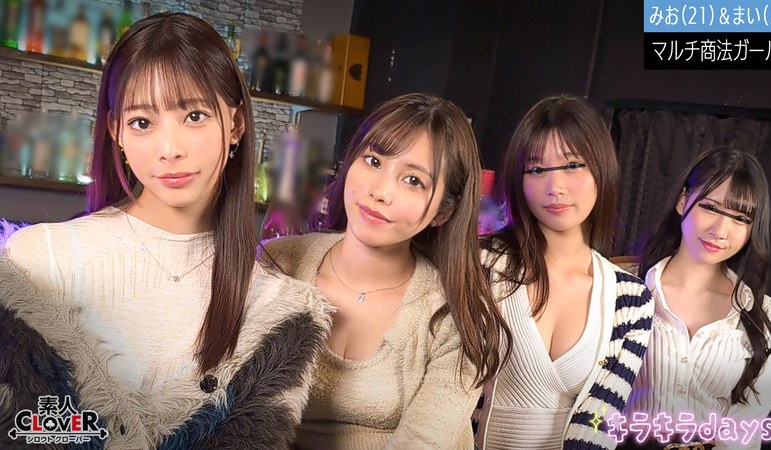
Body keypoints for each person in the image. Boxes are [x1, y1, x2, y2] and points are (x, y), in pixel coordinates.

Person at [0, 13, 330, 449]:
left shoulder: (275, 307)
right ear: (116, 131)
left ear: (235, 125)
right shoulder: (42, 259)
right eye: (142, 122)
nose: (169, 149)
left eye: (194, 116)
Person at [263, 92, 511, 449]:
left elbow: (424, 442)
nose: (380, 191)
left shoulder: (457, 312)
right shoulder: (277, 265)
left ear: (443, 212)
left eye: (413, 180)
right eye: (374, 160)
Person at [472, 95, 655, 450]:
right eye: (537, 170)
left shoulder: (631, 301)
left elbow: (599, 421)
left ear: (601, 170)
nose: (555, 187)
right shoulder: (481, 265)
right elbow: (446, 392)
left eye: (572, 165)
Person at [622, 148, 771, 450]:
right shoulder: (624, 288)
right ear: (683, 200)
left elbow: (746, 428)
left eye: (740, 218)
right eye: (711, 208)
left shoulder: (767, 315)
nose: (719, 231)